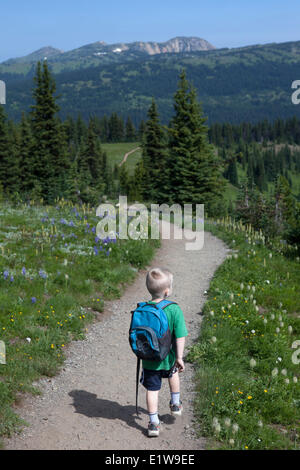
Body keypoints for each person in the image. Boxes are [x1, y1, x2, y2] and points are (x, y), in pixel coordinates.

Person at [140, 267, 188, 437]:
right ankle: (175, 403)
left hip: (149, 358)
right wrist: (180, 357)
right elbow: (180, 335)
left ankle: (153, 423)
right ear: (167, 291)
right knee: (173, 373)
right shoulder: (174, 309)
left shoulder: (143, 309)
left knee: (152, 390)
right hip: (168, 357)